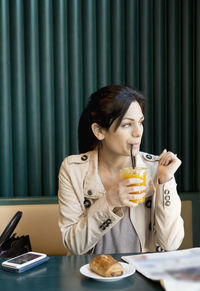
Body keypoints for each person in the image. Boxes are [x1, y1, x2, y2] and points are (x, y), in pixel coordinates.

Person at [58, 85, 184, 255]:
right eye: (127, 124)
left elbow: (170, 244)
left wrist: (165, 182)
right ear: (99, 131)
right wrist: (110, 201)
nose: (138, 132)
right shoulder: (73, 170)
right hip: (92, 273)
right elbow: (74, 246)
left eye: (140, 122)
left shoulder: (158, 168)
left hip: (143, 274)